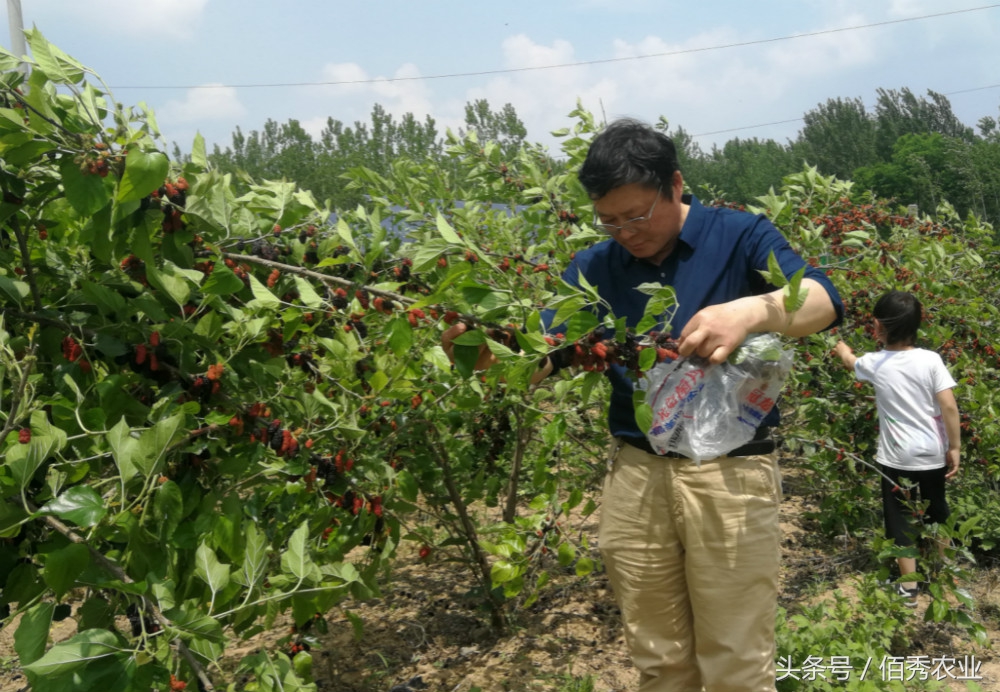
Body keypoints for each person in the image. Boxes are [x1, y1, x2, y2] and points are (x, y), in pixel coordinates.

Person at [442, 117, 842, 692]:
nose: (625, 231)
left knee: (737, 663)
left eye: (637, 214)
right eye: (609, 219)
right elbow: (543, 355)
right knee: (658, 659)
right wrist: (483, 352)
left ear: (675, 186)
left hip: (731, 476)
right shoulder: (594, 268)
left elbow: (822, 301)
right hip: (637, 475)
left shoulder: (741, 235)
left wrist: (750, 311)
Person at [833, 290, 960, 606]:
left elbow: (851, 362)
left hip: (895, 458)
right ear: (919, 324)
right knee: (937, 513)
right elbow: (949, 407)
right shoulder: (932, 360)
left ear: (877, 326)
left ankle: (909, 588)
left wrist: (839, 347)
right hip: (932, 453)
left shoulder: (875, 363)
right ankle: (942, 576)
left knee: (899, 519)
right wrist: (954, 446)